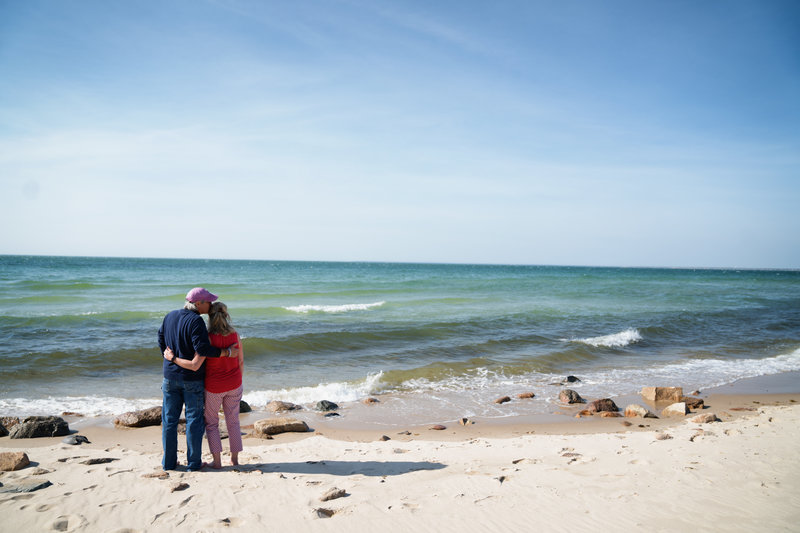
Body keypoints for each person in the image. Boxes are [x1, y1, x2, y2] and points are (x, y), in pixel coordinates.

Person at [158, 287, 239, 471]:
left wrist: (170, 359)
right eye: (208, 301)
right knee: (194, 420)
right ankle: (193, 463)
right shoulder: (196, 321)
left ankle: (168, 463)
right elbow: (203, 350)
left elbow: (161, 339)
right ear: (198, 303)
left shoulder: (169, 316)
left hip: (169, 377)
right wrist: (225, 352)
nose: (210, 305)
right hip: (192, 379)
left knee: (169, 421)